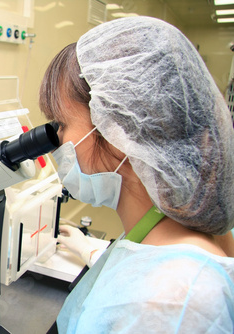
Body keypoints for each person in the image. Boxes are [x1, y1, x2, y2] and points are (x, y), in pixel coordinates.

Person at [39, 16, 234, 333]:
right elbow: (139, 273)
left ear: (120, 136)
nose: (56, 141)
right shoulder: (166, 222)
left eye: (60, 123)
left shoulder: (174, 302)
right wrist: (89, 249)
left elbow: (157, 304)